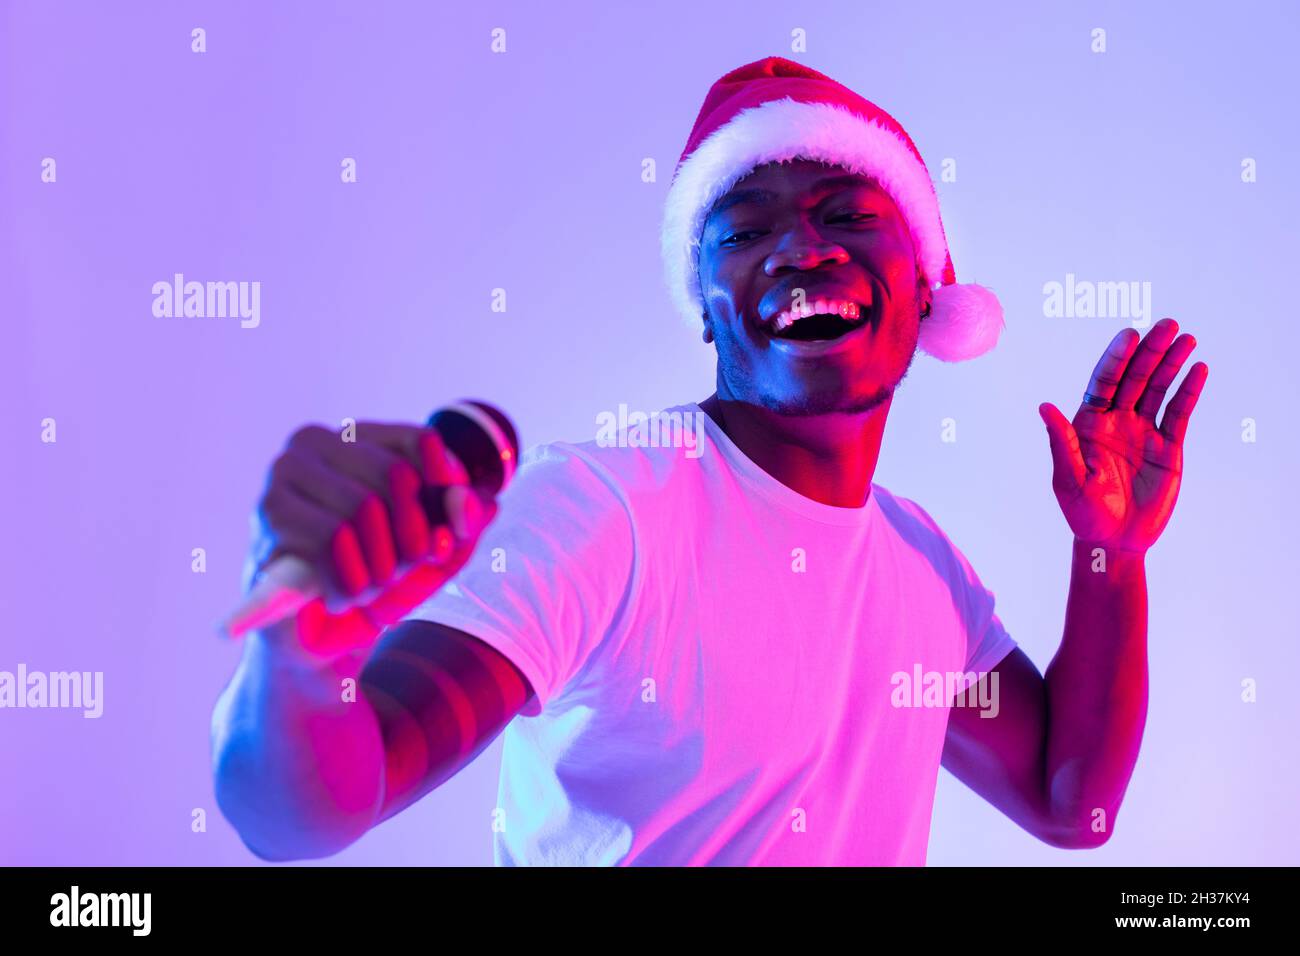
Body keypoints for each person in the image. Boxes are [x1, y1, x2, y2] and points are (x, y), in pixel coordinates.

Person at [210, 57, 1208, 865]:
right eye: (743, 230)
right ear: (705, 306)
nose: (797, 249)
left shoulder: (922, 568)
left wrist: (1109, 557)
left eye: (848, 213)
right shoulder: (603, 509)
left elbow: (1069, 804)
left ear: (926, 294)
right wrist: (305, 656)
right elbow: (308, 813)